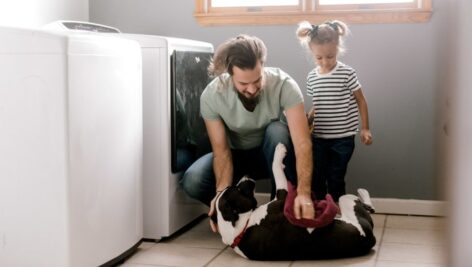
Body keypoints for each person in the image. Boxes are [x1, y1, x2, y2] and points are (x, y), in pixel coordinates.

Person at [180, 34, 314, 231]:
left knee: (276, 130)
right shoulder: (212, 94)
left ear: (262, 65)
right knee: (193, 180)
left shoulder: (284, 84)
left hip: (272, 156)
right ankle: (241, 208)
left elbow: (302, 143)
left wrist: (304, 192)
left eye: (257, 80)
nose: (252, 89)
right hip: (235, 158)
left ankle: (279, 208)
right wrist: (220, 197)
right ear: (229, 75)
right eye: (243, 84)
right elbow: (221, 152)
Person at [296, 20, 373, 202]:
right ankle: (321, 208)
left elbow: (361, 100)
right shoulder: (312, 77)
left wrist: (365, 128)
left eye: (330, 56)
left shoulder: (347, 73)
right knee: (317, 177)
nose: (325, 61)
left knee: (335, 177)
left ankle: (339, 210)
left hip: (343, 139)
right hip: (319, 138)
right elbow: (318, 103)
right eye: (319, 57)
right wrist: (308, 118)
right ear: (312, 54)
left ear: (338, 49)